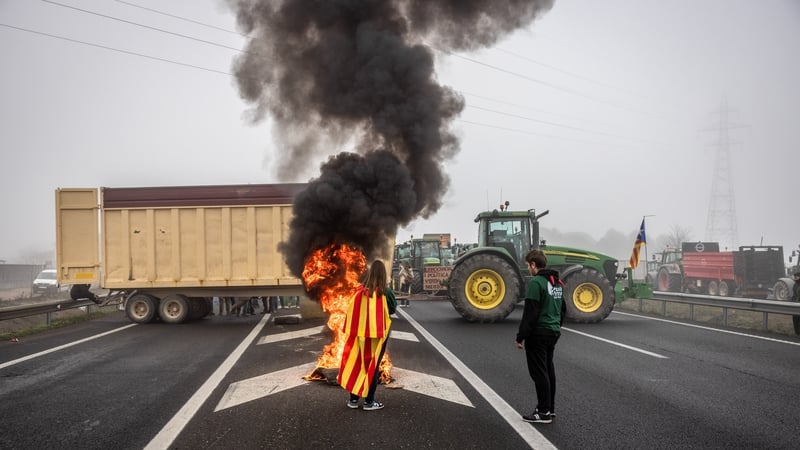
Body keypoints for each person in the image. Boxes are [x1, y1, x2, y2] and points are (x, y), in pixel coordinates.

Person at [338, 259, 396, 411]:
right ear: (383, 275)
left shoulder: (359, 291)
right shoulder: (386, 292)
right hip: (377, 335)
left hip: (359, 334)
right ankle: (369, 402)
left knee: (358, 364)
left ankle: (353, 399)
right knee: (373, 366)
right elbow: (393, 309)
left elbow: (352, 311)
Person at [515, 249, 566, 424]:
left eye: (528, 265)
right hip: (552, 332)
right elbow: (562, 309)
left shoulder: (536, 283)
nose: (528, 268)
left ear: (533, 265)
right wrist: (556, 326)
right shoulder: (557, 283)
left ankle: (543, 412)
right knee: (548, 370)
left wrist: (521, 336)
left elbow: (530, 312)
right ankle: (549, 409)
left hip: (538, 333)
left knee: (539, 373)